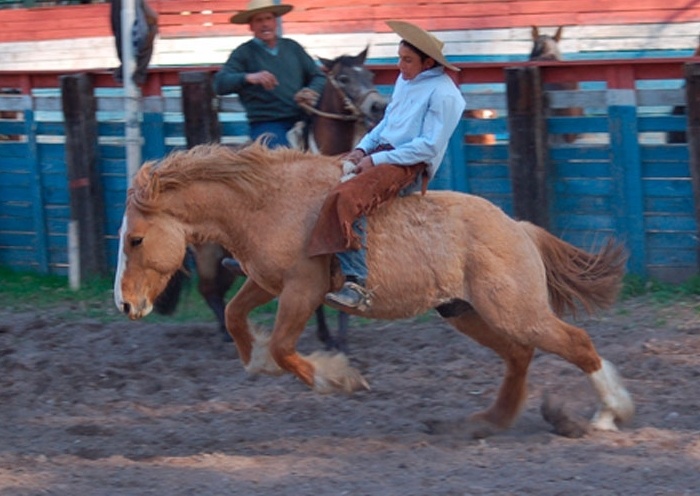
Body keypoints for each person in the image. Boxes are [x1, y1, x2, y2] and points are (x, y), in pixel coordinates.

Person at [307, 20, 466, 311]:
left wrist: (375, 159)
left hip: (409, 165)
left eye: (407, 60)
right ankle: (309, 267)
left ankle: (358, 284)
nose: (400, 65)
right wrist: (360, 149)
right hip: (383, 153)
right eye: (399, 57)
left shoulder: (445, 95)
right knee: (318, 179)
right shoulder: (406, 80)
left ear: (428, 62)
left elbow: (427, 146)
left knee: (347, 196)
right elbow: (386, 125)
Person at [212, 0, 326, 148]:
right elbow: (220, 84)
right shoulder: (243, 53)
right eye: (259, 20)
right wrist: (248, 77)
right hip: (267, 123)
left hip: (304, 118)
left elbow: (318, 76)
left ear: (275, 22)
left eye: (268, 19)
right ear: (251, 26)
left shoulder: (292, 47)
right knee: (282, 161)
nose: (265, 24)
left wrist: (311, 91)